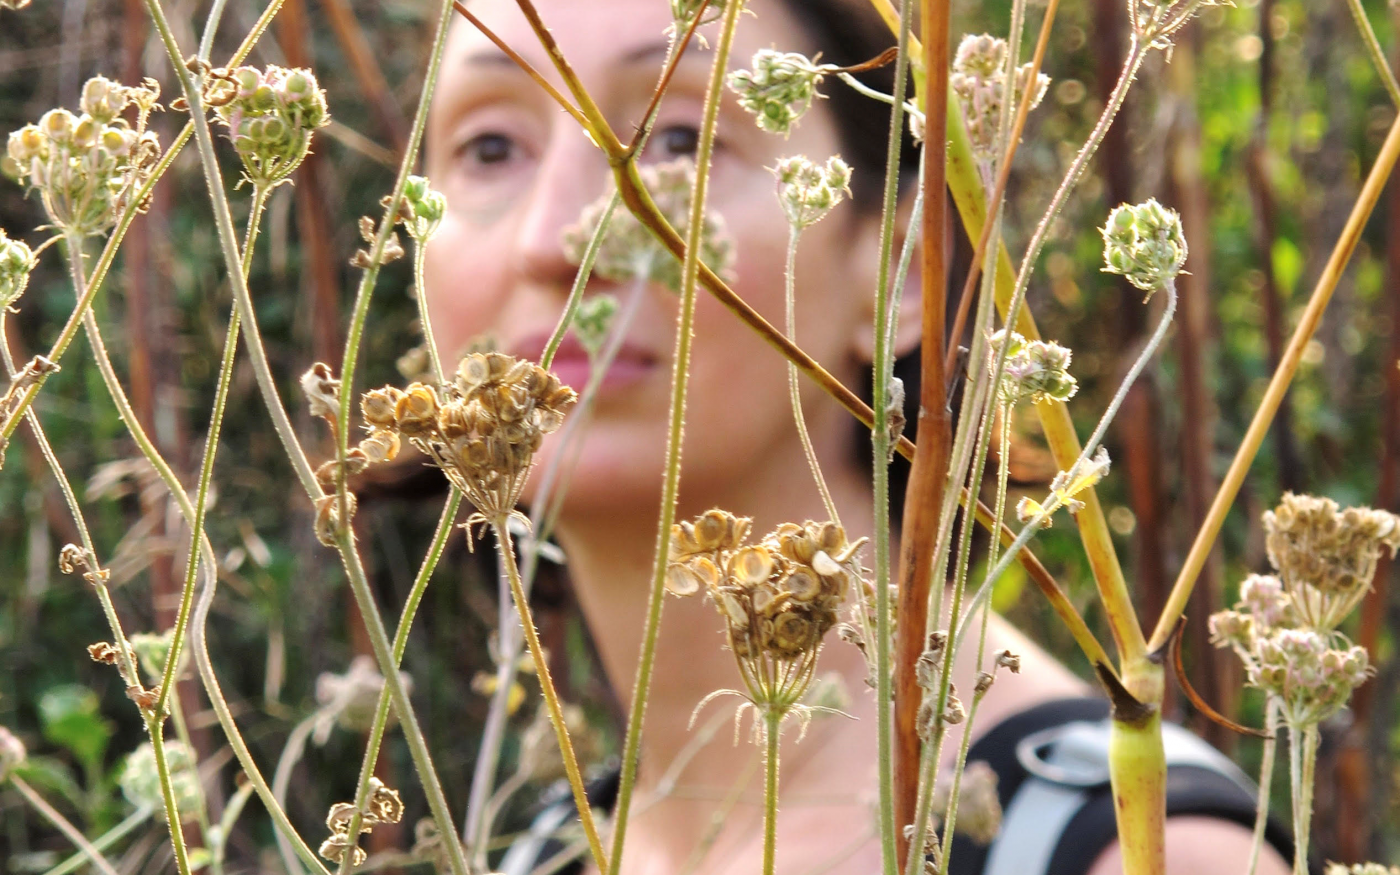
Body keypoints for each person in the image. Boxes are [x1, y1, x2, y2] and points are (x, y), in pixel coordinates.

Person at [421, 1, 1294, 873]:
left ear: (904, 267)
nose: (554, 242)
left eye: (681, 140)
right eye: (491, 148)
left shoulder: (1145, 849)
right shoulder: (547, 844)